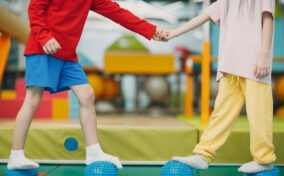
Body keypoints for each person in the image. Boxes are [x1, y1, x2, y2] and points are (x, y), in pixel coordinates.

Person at [7, 0, 163, 170]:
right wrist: (44, 36)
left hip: (67, 54)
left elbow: (118, 13)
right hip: (43, 48)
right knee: (33, 98)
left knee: (87, 94)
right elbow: (35, 7)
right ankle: (16, 155)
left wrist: (151, 30)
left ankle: (93, 151)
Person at [163, 0, 276, 174]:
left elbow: (268, 19)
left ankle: (264, 159)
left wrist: (264, 54)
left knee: (258, 114)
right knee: (221, 112)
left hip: (255, 66)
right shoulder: (226, 1)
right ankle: (203, 154)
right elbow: (203, 16)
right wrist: (174, 33)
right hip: (231, 66)